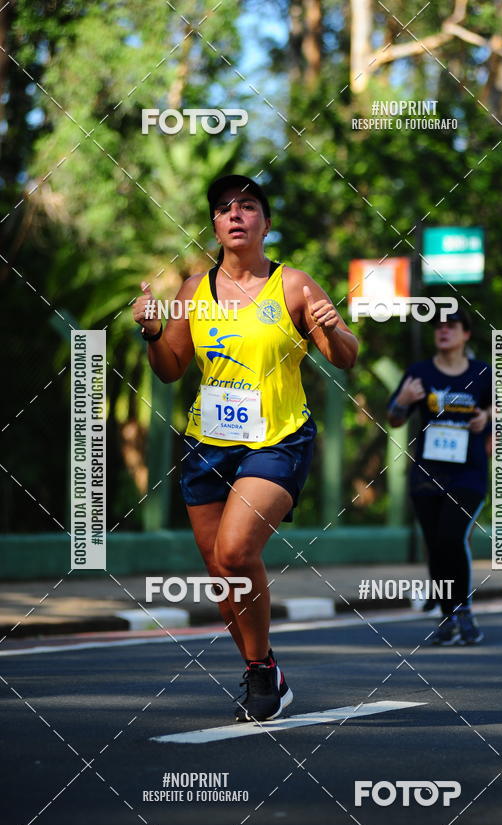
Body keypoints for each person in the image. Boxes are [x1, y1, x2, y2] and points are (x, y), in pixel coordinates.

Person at [132, 174, 358, 720]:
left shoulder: (295, 286)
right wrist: (151, 335)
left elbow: (345, 356)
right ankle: (265, 669)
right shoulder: (194, 291)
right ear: (214, 224)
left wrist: (331, 328)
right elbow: (170, 370)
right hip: (208, 443)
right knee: (221, 573)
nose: (236, 215)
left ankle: (260, 673)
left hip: (277, 440)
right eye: (225, 209)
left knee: (236, 552)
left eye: (248, 206)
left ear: (265, 222)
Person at [387, 307, 491, 645]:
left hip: (468, 474)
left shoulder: (482, 373)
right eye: (439, 327)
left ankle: (464, 612)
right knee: (435, 545)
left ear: (466, 334)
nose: (443, 331)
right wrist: (402, 400)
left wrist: (486, 418)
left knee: (450, 538)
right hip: (428, 475)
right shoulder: (419, 373)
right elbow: (395, 418)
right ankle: (448, 617)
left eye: (451, 326)